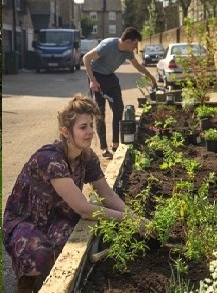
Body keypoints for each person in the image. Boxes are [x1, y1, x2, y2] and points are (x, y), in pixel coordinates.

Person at [2, 94, 149, 293]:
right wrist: (127, 221)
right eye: (83, 127)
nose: (90, 132)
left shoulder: (86, 157)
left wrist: (134, 217)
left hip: (57, 217)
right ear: (65, 131)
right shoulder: (50, 159)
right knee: (40, 255)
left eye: (91, 125)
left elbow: (108, 195)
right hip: (26, 219)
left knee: (73, 246)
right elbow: (84, 209)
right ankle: (26, 280)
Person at [82, 27, 157, 159]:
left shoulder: (128, 52)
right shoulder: (107, 46)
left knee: (119, 108)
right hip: (97, 76)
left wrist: (151, 77)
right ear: (128, 41)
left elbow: (137, 65)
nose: (135, 48)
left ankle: (116, 144)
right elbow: (86, 58)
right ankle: (104, 148)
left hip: (110, 76)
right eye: (135, 44)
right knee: (100, 112)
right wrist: (92, 80)